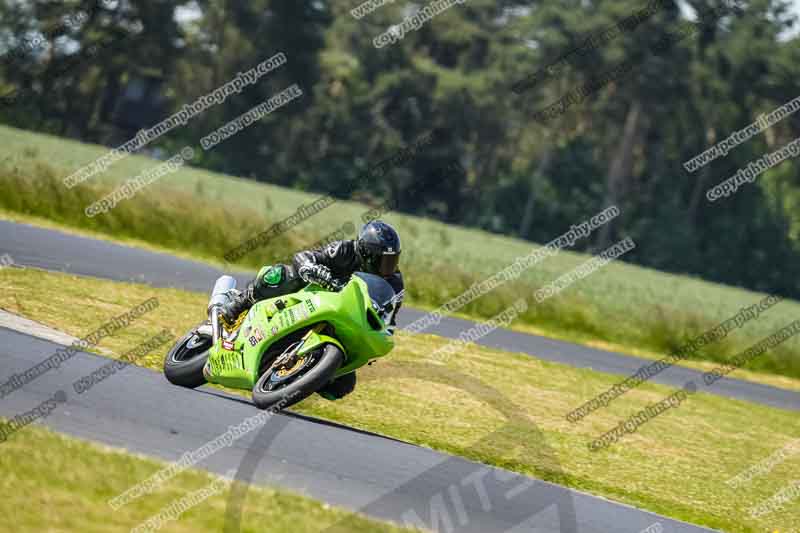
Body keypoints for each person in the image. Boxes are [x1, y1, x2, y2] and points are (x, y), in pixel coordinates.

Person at [220, 220, 404, 400]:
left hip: (347, 318)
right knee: (283, 275)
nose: (387, 266)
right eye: (382, 260)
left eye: (392, 260)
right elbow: (304, 256)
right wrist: (312, 268)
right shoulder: (344, 250)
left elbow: (389, 318)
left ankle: (296, 377)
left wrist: (379, 335)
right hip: (313, 294)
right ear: (365, 252)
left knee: (342, 386)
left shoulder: (395, 284)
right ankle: (239, 303)